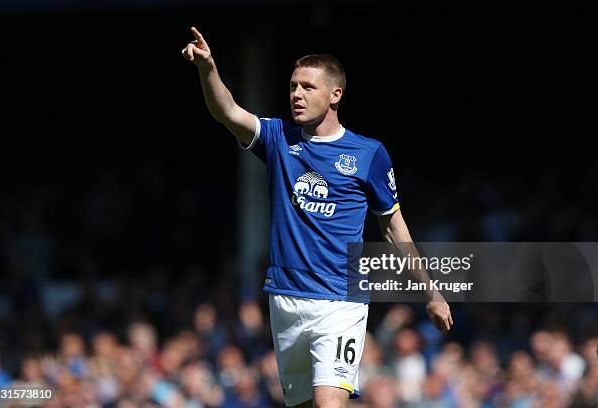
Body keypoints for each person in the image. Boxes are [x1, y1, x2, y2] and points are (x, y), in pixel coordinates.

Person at [182, 27, 453, 408]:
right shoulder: (279, 138)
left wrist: (432, 291)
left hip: (341, 301)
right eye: (293, 86)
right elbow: (226, 111)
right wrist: (208, 69)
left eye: (308, 87)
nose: (296, 94)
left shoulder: (368, 154)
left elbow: (393, 227)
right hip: (285, 299)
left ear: (335, 95)